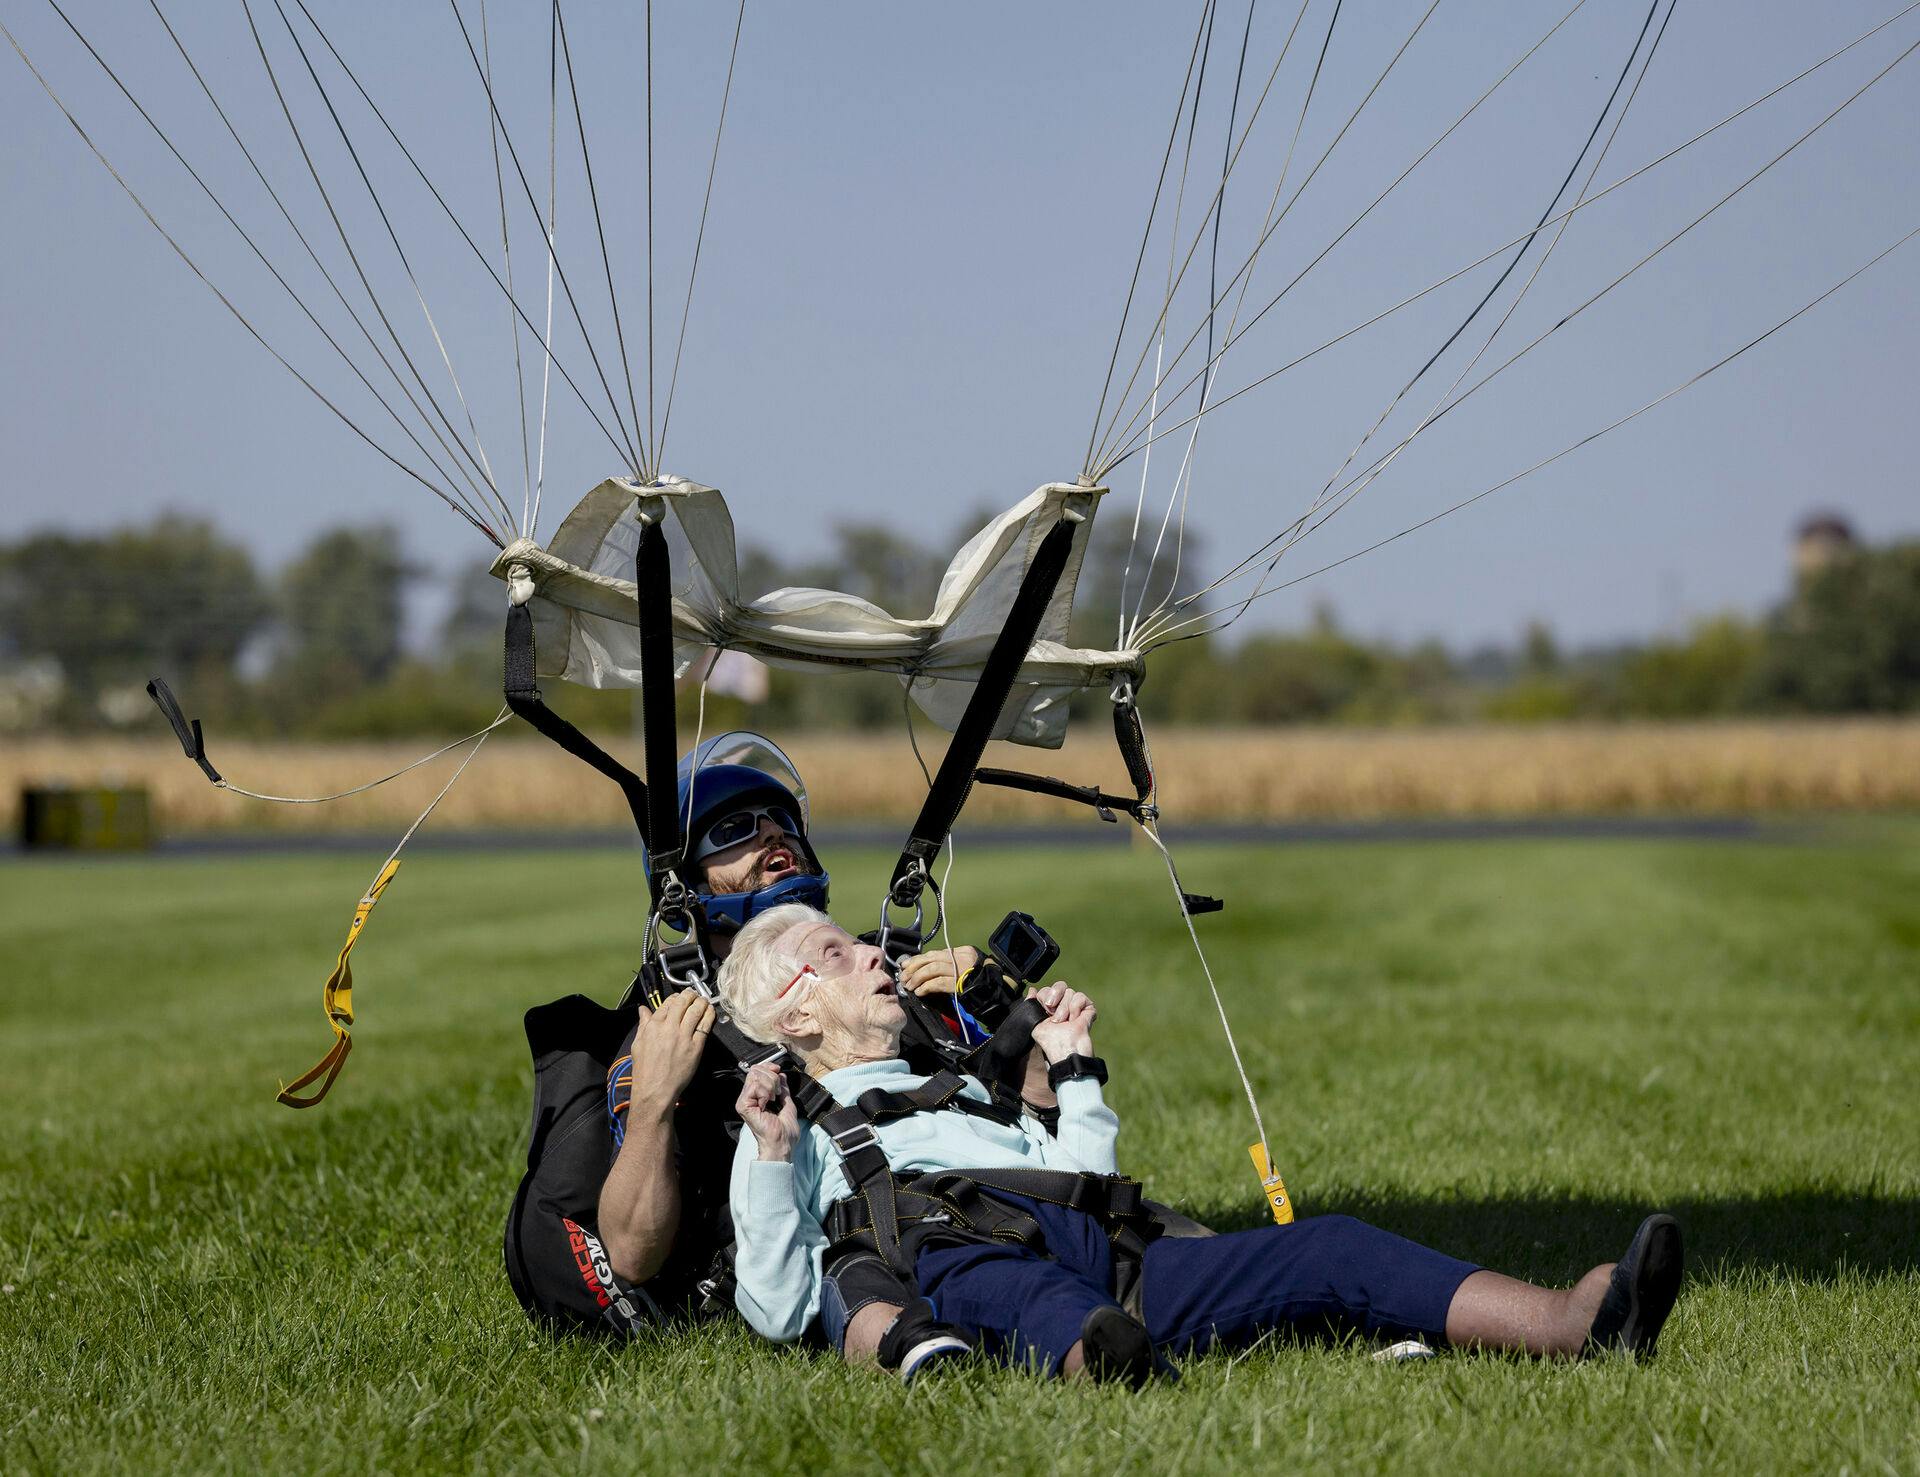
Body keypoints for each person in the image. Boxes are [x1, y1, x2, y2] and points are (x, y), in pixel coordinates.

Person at [718, 904, 1687, 1382]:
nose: (875, 955)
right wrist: (767, 1155)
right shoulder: (789, 1118)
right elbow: (772, 1302)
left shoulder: (961, 1081)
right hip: (963, 1260)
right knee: (1040, 1298)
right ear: (791, 1012)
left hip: (1110, 1255)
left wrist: (1074, 1064)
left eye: (863, 942)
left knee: (1333, 1242)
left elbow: (1088, 1182)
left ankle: (1570, 1324)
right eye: (837, 954)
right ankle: (1118, 1373)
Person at [593, 733, 1005, 1376]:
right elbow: (631, 1255)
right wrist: (653, 1099)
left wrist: (995, 1002)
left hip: (986, 1210)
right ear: (685, 881)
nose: (771, 838)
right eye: (734, 830)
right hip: (844, 1258)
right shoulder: (675, 1023)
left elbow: (1041, 1123)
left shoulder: (887, 973)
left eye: (782, 823)